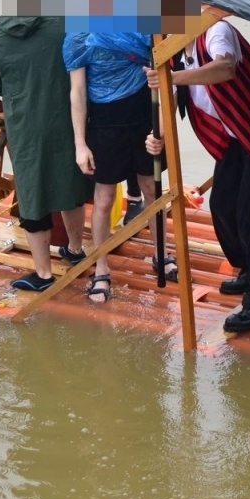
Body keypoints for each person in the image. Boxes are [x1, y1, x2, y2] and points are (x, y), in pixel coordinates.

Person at [145, 19, 250, 333]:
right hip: (235, 135)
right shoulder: (172, 52)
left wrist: (172, 76)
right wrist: (158, 137)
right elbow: (169, 99)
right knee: (223, 206)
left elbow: (225, 68)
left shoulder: (216, 31)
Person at [0, 15, 92, 292]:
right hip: (65, 119)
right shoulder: (65, 25)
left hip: (24, 126)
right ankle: (75, 249)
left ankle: (43, 274)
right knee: (70, 184)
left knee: (32, 194)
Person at [65, 27, 161, 303]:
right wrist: (80, 144)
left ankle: (161, 254)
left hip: (144, 112)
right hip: (105, 122)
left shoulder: (141, 23)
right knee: (104, 198)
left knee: (151, 189)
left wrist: (162, 128)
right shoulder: (79, 34)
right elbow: (77, 91)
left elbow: (164, 70)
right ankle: (101, 268)